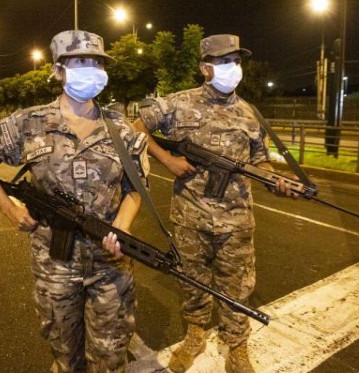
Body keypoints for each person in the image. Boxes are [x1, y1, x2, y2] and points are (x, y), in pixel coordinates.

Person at [0, 30, 149, 372]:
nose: (91, 69)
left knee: (111, 359)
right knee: (66, 357)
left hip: (109, 266)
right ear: (58, 71)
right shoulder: (28, 122)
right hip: (54, 263)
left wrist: (120, 230)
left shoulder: (121, 129)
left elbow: (135, 188)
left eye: (97, 62)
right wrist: (10, 209)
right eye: (81, 62)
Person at [134, 34, 294, 373]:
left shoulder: (250, 113)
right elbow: (135, 129)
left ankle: (236, 346)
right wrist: (167, 160)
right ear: (206, 68)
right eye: (224, 62)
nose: (232, 68)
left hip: (237, 218)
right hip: (190, 216)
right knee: (192, 280)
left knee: (237, 284)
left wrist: (274, 180)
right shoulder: (178, 104)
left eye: (236, 61)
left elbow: (260, 160)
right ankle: (196, 333)